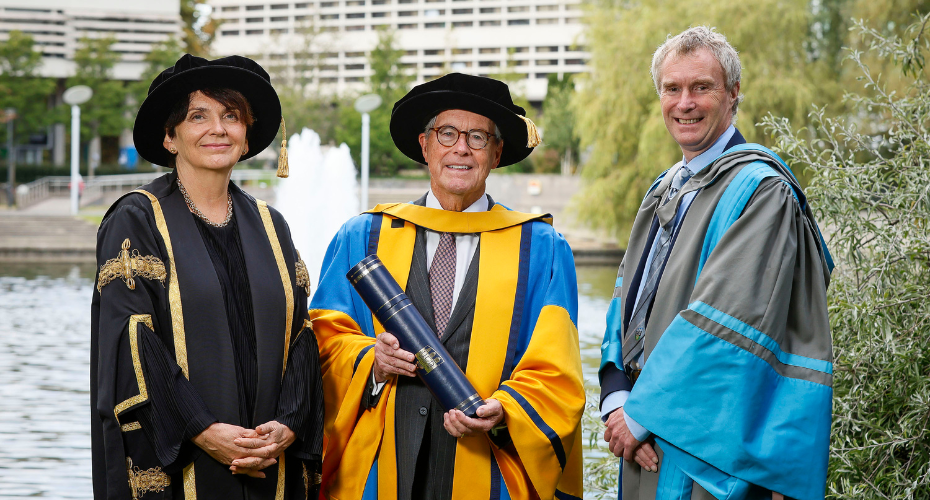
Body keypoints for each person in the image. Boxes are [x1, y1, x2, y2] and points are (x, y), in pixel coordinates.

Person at [309, 73, 585, 500]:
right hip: (379, 467)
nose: (461, 148)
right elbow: (322, 345)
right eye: (448, 133)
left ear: (496, 152)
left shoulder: (542, 248)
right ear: (425, 146)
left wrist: (506, 411)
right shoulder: (363, 237)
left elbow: (556, 370)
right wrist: (371, 361)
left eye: (478, 137)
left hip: (488, 470)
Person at [598, 27, 834, 500]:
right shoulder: (664, 188)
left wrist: (643, 415)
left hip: (703, 445)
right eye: (672, 88)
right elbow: (626, 299)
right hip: (642, 431)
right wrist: (617, 399)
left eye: (701, 87)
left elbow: (729, 323)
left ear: (732, 95)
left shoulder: (761, 191)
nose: (684, 103)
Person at [90, 54, 324, 500]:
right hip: (181, 462)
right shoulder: (138, 218)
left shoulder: (271, 225)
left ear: (246, 133)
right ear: (170, 136)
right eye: (198, 116)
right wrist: (203, 429)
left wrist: (288, 425)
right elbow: (133, 341)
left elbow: (301, 334)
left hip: (267, 457)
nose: (218, 129)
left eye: (231, 116)